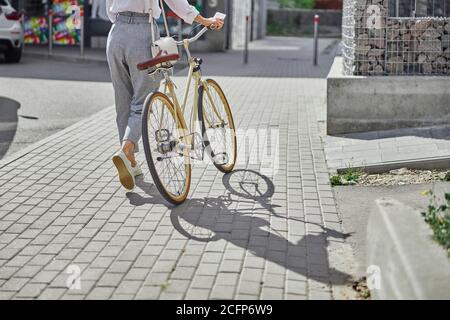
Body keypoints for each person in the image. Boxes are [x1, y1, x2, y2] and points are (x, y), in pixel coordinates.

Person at [106, 0, 224, 190]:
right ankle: (125, 149)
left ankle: (132, 162)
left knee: (123, 103)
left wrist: (121, 20)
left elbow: (109, 6)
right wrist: (205, 20)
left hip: (116, 33)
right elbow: (178, 4)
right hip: (142, 33)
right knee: (142, 102)